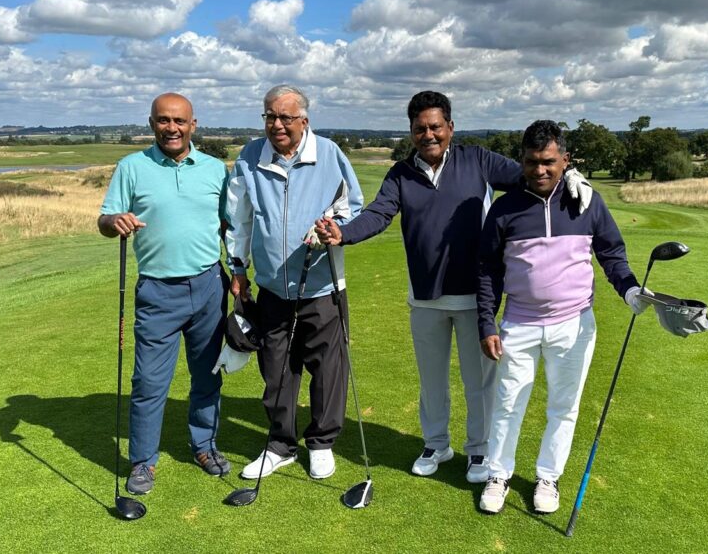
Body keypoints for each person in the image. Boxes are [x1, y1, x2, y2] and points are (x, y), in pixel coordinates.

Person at [316, 91, 521, 483]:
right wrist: (343, 233)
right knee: (432, 381)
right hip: (425, 297)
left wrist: (569, 177)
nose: (429, 135)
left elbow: (529, 178)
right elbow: (378, 214)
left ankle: (479, 449)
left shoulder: (478, 160)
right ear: (411, 131)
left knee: (479, 382)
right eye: (420, 128)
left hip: (475, 298)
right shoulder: (400, 174)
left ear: (450, 128)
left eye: (435, 127)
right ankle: (436, 444)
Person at [476, 119, 651, 515]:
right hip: (519, 323)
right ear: (521, 160)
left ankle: (548, 478)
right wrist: (487, 322)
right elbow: (487, 270)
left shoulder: (585, 202)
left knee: (564, 406)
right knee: (508, 404)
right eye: (531, 162)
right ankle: (498, 475)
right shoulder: (504, 208)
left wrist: (629, 290)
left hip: (574, 324)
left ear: (565, 160)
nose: (540, 170)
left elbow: (611, 254)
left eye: (549, 162)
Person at [226, 84, 363, 482]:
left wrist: (331, 228)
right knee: (277, 369)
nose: (277, 125)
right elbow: (239, 218)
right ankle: (280, 445)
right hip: (272, 287)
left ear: (304, 120)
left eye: (286, 117)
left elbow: (351, 208)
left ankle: (321, 443)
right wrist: (238, 269)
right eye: (270, 116)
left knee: (327, 368)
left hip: (322, 286)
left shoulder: (329, 155)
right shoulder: (250, 156)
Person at [98, 92, 231, 495]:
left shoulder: (215, 170)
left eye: (179, 121)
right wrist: (114, 221)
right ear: (151, 123)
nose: (171, 128)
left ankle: (204, 446)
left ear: (193, 125)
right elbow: (105, 220)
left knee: (207, 376)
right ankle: (143, 461)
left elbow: (229, 226)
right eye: (163, 120)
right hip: (157, 290)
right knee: (149, 382)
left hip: (209, 285)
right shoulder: (131, 167)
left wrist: (239, 272)